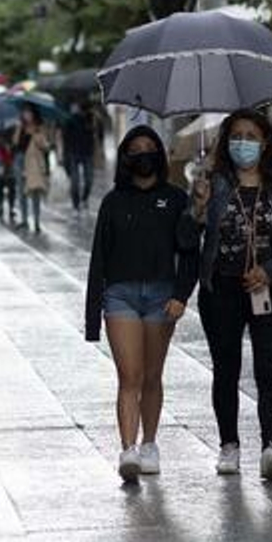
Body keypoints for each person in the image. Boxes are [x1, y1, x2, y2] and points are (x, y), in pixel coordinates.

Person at [196, 110, 272, 480]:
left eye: (251, 136)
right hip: (222, 289)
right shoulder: (211, 182)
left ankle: (270, 446)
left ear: (265, 143)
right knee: (225, 369)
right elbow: (187, 234)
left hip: (269, 289)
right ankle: (229, 445)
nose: (242, 142)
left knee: (268, 370)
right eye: (236, 135)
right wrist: (197, 206)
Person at [85, 127, 199, 483]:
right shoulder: (113, 202)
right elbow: (98, 260)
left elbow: (189, 249)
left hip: (162, 296)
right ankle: (127, 449)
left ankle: (150, 443)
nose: (143, 155)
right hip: (120, 295)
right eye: (135, 150)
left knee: (152, 375)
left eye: (150, 149)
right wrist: (92, 319)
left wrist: (182, 294)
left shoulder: (177, 199)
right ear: (125, 157)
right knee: (129, 376)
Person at [14, 107, 53, 234]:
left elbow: (46, 146)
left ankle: (36, 222)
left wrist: (36, 135)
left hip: (34, 163)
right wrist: (20, 130)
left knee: (35, 191)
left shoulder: (39, 128)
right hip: (20, 162)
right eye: (25, 112)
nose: (26, 115)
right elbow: (15, 143)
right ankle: (24, 220)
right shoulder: (20, 126)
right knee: (22, 192)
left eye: (28, 112)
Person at [63, 100, 97, 211]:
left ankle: (84, 198)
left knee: (89, 179)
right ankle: (76, 203)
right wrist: (65, 154)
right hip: (74, 153)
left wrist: (92, 124)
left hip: (87, 153)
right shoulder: (71, 120)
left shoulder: (91, 119)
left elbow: (94, 136)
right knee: (75, 181)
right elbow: (66, 138)